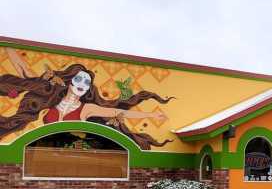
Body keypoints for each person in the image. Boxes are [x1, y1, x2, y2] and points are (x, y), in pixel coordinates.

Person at [0, 49, 174, 150]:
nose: (82, 84)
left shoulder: (87, 108)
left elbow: (117, 111)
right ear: (69, 81)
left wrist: (151, 115)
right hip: (44, 153)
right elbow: (24, 72)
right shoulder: (49, 99)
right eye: (79, 79)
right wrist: (8, 48)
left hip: (74, 156)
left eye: (87, 82)